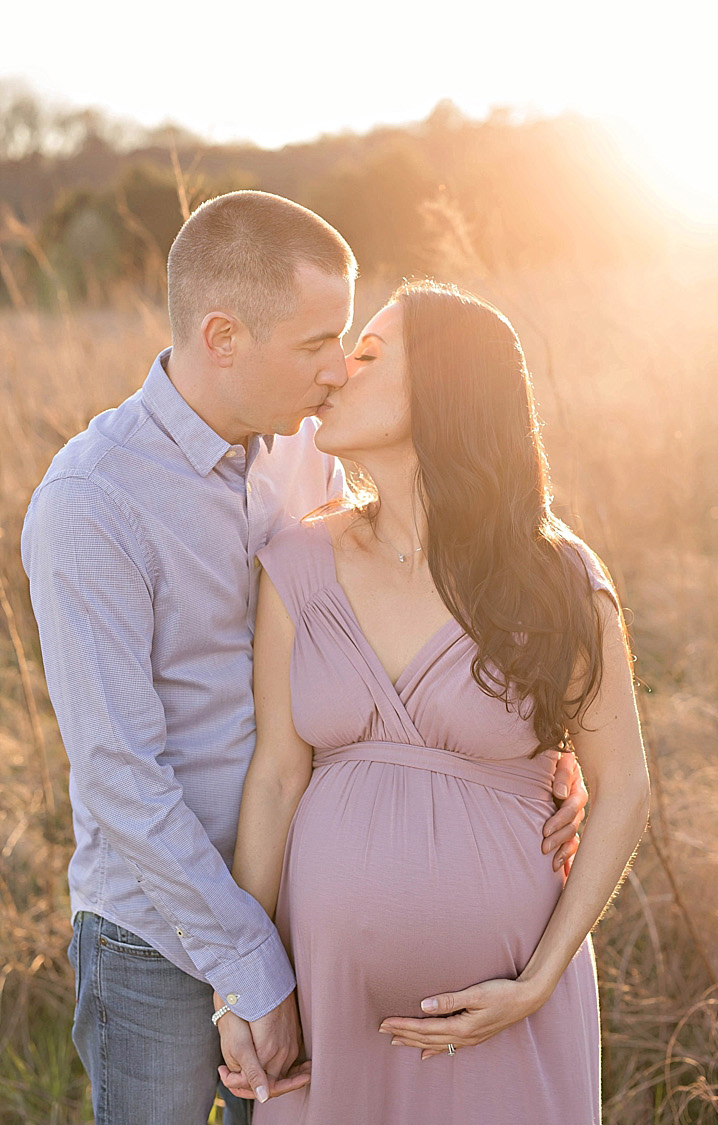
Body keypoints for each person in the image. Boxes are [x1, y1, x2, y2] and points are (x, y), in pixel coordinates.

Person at [20, 191, 587, 1125]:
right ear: (223, 337)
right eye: (317, 343)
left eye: (350, 340)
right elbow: (120, 774)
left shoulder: (304, 457)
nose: (337, 372)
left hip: (302, 910)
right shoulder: (92, 503)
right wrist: (249, 963)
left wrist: (531, 763)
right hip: (156, 936)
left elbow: (388, 620)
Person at [217, 279, 650, 1123]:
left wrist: (537, 982)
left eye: (369, 354)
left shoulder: (558, 580)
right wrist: (244, 986)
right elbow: (275, 778)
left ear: (447, 390)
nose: (338, 371)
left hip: (505, 1020)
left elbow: (624, 787)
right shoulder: (297, 564)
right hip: (330, 1016)